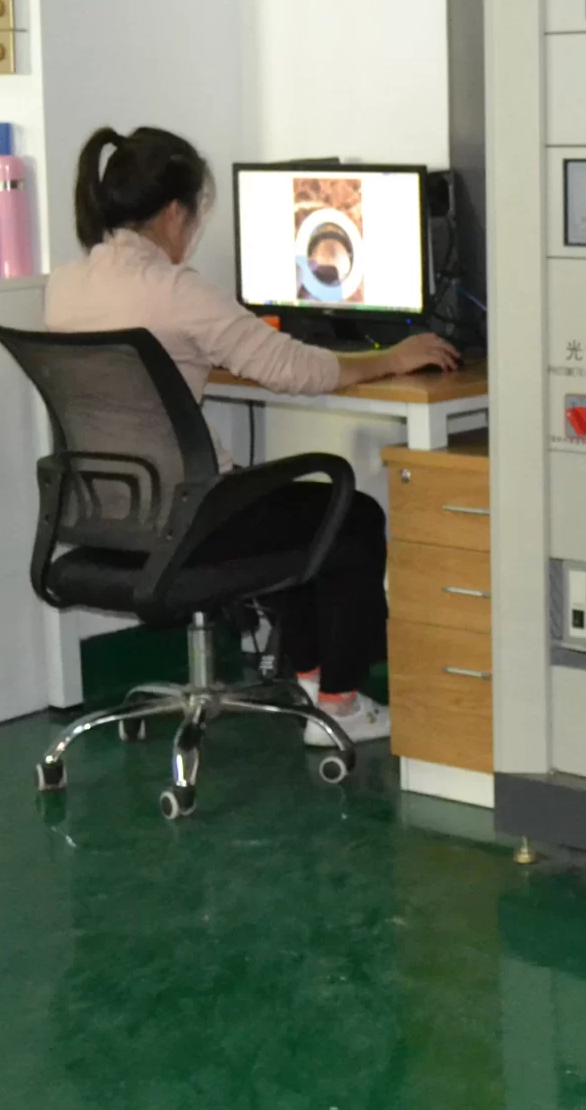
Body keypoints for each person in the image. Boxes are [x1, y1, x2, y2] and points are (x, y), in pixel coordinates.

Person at [44, 126, 458, 745]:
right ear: (174, 213)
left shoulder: (65, 285)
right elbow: (295, 369)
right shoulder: (176, 292)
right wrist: (392, 358)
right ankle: (340, 703)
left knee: (285, 510)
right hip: (187, 521)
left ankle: (313, 684)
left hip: (109, 517)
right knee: (350, 516)